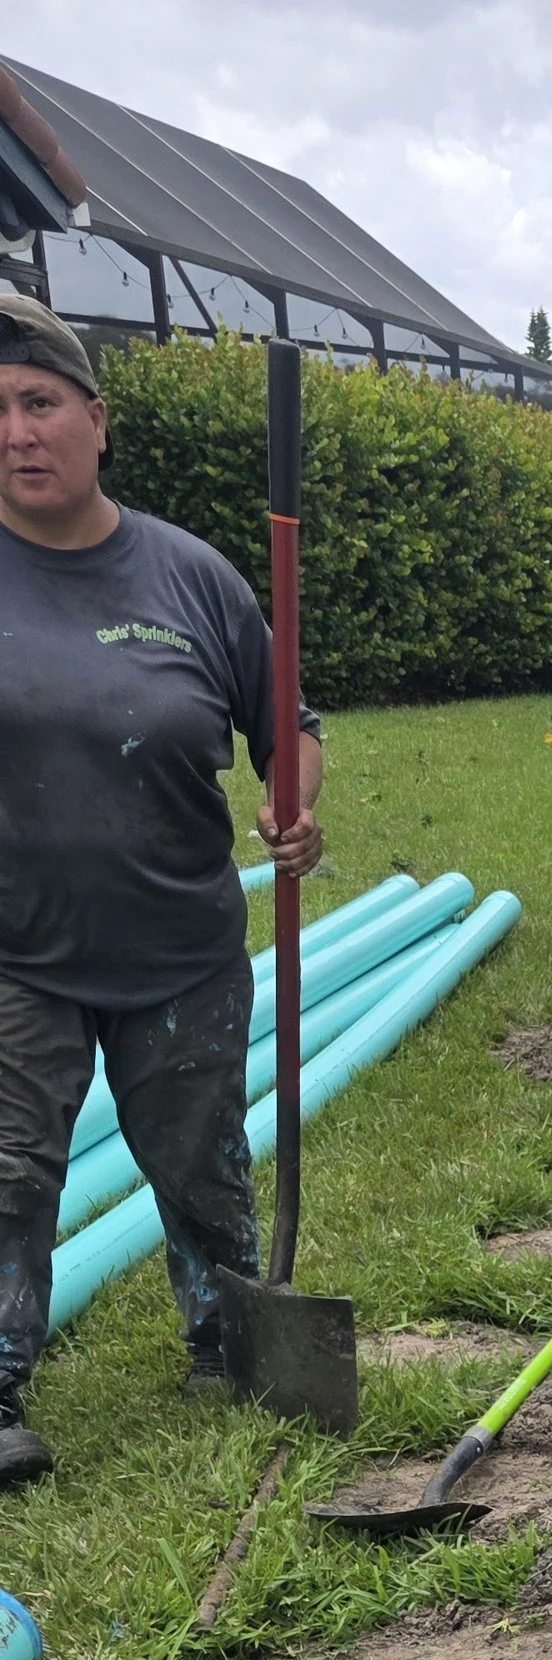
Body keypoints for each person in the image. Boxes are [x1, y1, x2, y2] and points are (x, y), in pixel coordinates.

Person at [0, 292, 323, 1488]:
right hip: (16, 950)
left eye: (38, 404)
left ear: (96, 420)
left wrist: (294, 813)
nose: (17, 434)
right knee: (8, 1168)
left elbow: (283, 722)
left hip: (178, 947)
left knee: (197, 1164)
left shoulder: (191, 577)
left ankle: (225, 1337)